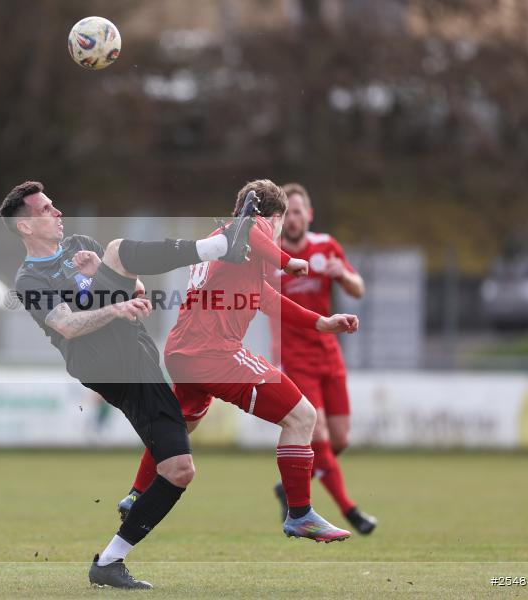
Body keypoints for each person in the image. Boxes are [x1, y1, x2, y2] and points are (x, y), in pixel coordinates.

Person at [0, 179, 286, 589]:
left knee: (179, 470)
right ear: (25, 226)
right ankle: (221, 246)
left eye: (53, 205)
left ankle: (109, 561)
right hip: (99, 361)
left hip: (137, 358)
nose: (57, 212)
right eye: (46, 209)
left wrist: (110, 282)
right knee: (117, 249)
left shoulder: (81, 244)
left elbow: (134, 284)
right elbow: (67, 325)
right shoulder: (30, 278)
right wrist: (116, 307)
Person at [117, 179, 357, 543]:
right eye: (280, 223)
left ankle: (137, 493)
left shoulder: (231, 247)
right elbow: (252, 229)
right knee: (303, 416)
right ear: (274, 217)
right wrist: (288, 260)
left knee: (178, 429)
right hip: (215, 352)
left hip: (183, 353)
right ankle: (300, 514)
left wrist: (320, 322)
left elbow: (266, 297)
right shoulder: (245, 231)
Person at [270, 182, 377, 534]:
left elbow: (358, 289)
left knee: (340, 439)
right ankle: (351, 512)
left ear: (309, 215)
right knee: (318, 432)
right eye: (287, 213)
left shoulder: (326, 246)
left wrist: (341, 274)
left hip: (330, 354)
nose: (293, 219)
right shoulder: (271, 255)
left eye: (298, 212)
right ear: (280, 219)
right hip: (296, 358)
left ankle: (289, 485)